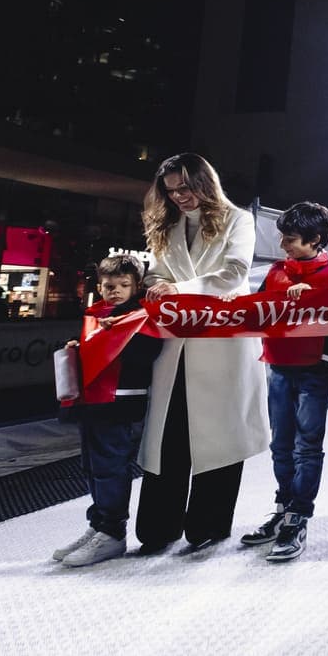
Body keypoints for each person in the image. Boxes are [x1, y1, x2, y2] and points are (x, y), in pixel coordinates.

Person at [136, 153, 268, 556]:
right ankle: (158, 527)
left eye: (185, 187)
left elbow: (235, 272)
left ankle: (209, 525)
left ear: (204, 183)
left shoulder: (238, 220)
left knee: (218, 436)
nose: (178, 196)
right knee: (169, 433)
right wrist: (156, 285)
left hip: (221, 341)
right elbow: (157, 273)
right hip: (176, 342)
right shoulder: (167, 225)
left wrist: (178, 289)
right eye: (171, 191)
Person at [239, 202, 328, 563]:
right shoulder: (275, 272)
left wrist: (312, 298)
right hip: (280, 366)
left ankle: (298, 516)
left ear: (315, 239)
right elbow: (254, 308)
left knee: (307, 446)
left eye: (290, 239)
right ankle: (284, 507)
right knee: (281, 444)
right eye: (282, 237)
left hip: (316, 369)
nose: (283, 244)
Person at [51, 254, 162, 567]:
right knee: (92, 466)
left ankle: (112, 531)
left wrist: (116, 335)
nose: (115, 291)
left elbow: (149, 353)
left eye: (123, 285)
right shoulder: (96, 313)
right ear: (99, 286)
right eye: (109, 285)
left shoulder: (142, 316)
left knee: (111, 467)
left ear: (136, 286)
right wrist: (76, 345)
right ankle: (99, 524)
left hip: (120, 403)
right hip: (92, 402)